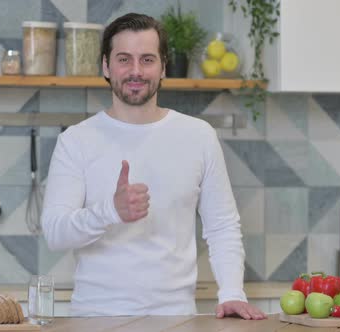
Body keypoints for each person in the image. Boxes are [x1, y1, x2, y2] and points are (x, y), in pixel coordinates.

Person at [41, 12, 266, 320]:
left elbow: (222, 225)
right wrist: (109, 211)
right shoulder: (76, 141)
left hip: (176, 319)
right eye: (124, 59)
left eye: (147, 60)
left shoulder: (198, 136)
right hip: (95, 318)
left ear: (163, 67)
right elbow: (55, 232)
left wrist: (231, 293)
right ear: (106, 66)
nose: (136, 71)